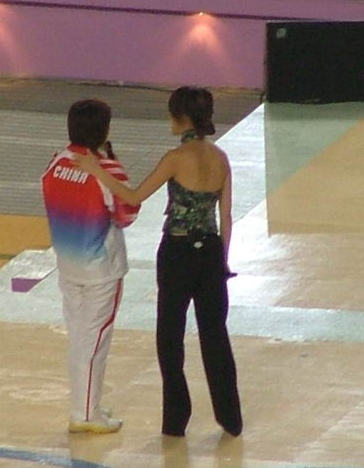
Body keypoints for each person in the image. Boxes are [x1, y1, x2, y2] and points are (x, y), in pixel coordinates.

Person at [73, 86, 242, 437]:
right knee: (215, 336)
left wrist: (96, 169)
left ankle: (176, 421)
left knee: (170, 338)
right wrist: (222, 262)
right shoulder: (221, 158)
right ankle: (230, 417)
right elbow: (225, 217)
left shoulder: (175, 158)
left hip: (177, 253)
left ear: (181, 118)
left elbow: (134, 196)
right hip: (211, 253)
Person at [41, 99, 140, 434]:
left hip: (67, 265)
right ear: (104, 129)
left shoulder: (56, 162)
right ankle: (85, 414)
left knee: (79, 338)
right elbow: (127, 214)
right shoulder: (107, 170)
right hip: (101, 269)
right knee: (95, 341)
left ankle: (86, 403)